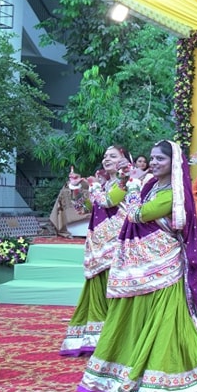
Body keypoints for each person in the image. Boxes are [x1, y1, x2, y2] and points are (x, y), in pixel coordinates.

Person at [77, 140, 197, 392]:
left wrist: (132, 186)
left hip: (165, 267)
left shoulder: (172, 195)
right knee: (136, 315)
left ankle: (187, 380)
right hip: (142, 266)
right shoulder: (152, 186)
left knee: (168, 321)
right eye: (152, 158)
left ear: (173, 164)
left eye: (160, 159)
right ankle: (128, 368)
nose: (154, 163)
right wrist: (127, 182)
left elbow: (136, 214)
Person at [60, 145, 132, 356]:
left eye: (112, 156)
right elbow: (83, 209)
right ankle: (96, 339)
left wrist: (92, 185)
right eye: (105, 156)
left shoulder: (127, 181)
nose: (106, 159)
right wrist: (75, 189)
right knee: (97, 289)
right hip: (98, 245)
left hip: (117, 245)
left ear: (124, 160)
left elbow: (108, 201)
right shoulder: (105, 184)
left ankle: (116, 340)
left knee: (114, 289)